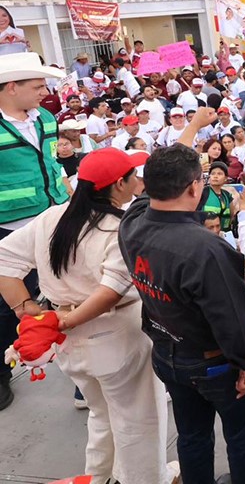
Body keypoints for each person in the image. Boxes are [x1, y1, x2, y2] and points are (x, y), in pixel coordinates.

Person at [119, 115, 245, 484]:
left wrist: (190, 131)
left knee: (192, 435)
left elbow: (149, 189)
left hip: (168, 354)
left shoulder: (132, 223)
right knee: (244, 437)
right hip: (216, 365)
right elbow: (233, 318)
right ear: (193, 189)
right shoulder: (207, 250)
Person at [0, 148, 179, 484]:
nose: (137, 180)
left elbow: (4, 260)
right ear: (118, 184)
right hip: (114, 336)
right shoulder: (119, 228)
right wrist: (53, 321)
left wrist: (28, 311)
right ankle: (144, 480)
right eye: (132, 175)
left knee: (102, 413)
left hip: (70, 342)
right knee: (138, 421)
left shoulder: (53, 216)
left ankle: (100, 477)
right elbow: (110, 291)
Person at [0, 52, 68, 410]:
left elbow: (52, 162)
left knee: (66, 293)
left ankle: (80, 378)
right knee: (4, 304)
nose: (45, 92)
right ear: (12, 88)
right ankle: (0, 371)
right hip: (7, 225)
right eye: (37, 86)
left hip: (51, 218)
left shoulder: (45, 118)